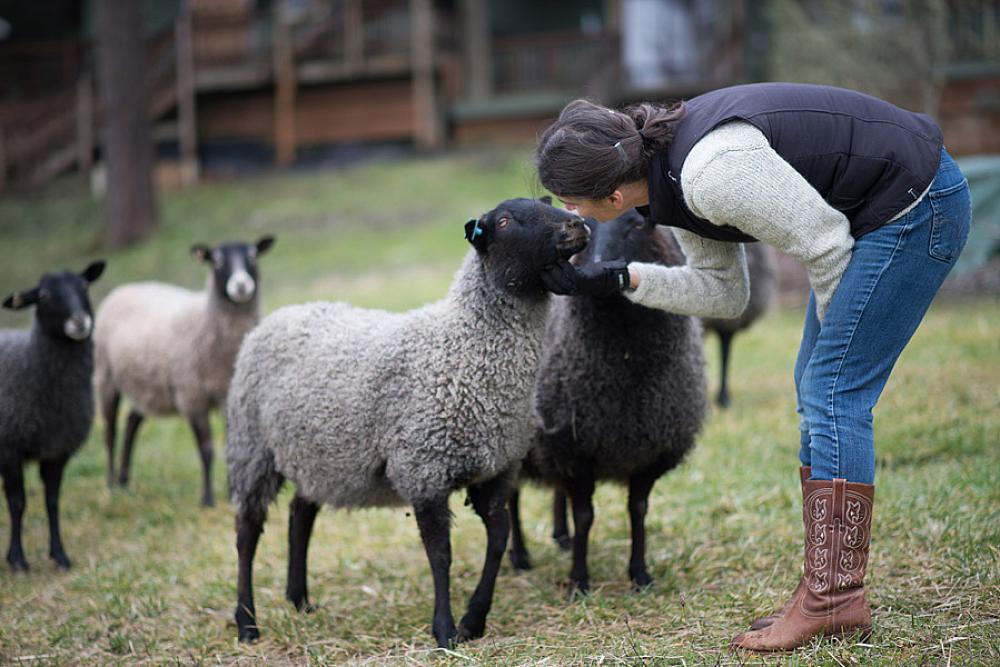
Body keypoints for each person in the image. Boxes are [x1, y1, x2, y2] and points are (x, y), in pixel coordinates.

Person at [534, 82, 971, 652]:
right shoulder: (666, 183)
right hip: (875, 215)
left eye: (571, 202)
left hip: (918, 206)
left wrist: (836, 357)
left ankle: (834, 598)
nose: (570, 214)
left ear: (614, 199)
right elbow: (725, 295)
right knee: (816, 386)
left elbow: (826, 243)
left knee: (832, 391)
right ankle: (827, 589)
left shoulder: (712, 172)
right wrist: (622, 279)